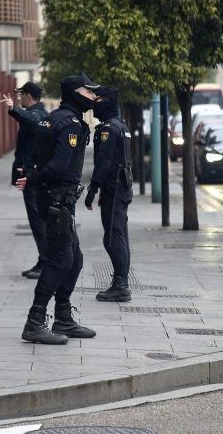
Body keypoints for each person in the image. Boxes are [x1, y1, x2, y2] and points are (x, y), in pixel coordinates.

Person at [15, 74, 99, 345]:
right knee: (61, 260)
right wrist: (36, 177)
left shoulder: (51, 118)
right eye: (89, 92)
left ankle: (63, 316)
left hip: (55, 198)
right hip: (57, 199)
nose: (93, 97)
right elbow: (60, 166)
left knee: (74, 257)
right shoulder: (70, 124)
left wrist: (34, 175)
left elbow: (39, 158)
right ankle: (35, 321)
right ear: (75, 93)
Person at [84, 87, 133, 302]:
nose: (95, 102)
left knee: (114, 237)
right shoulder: (121, 125)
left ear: (109, 101)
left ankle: (121, 286)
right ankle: (120, 283)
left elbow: (103, 163)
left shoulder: (108, 129)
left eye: (99, 98)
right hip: (120, 187)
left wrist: (93, 189)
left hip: (114, 187)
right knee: (118, 235)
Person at [0, 82, 49, 279]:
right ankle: (43, 259)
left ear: (28, 95)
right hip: (31, 175)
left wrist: (14, 109)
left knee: (38, 220)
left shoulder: (38, 114)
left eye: (21, 95)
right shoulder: (38, 113)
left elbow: (31, 121)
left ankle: (46, 261)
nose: (19, 98)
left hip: (33, 177)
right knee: (37, 219)